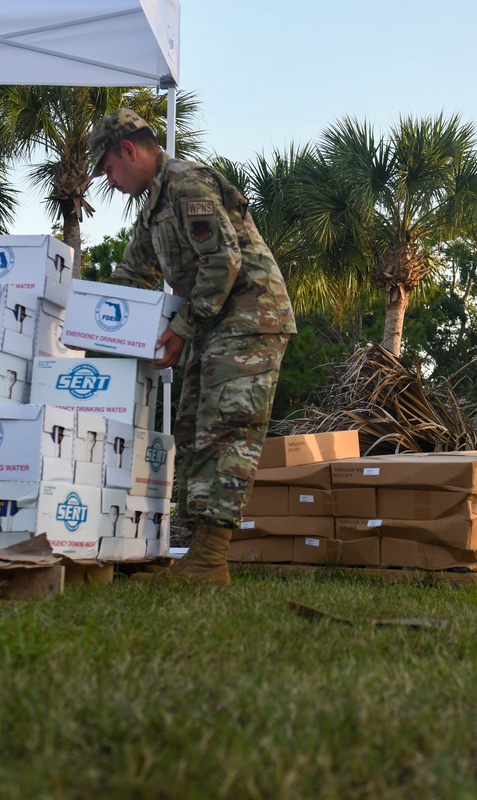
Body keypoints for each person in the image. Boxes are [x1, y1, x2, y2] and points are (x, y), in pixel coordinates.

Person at [88, 109, 296, 584]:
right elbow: (132, 275)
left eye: (107, 168)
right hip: (211, 324)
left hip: (249, 317)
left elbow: (223, 260)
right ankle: (202, 555)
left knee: (227, 431)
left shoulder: (186, 183)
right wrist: (81, 317)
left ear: (128, 150)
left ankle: (210, 558)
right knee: (195, 430)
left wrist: (181, 328)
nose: (108, 179)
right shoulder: (153, 208)